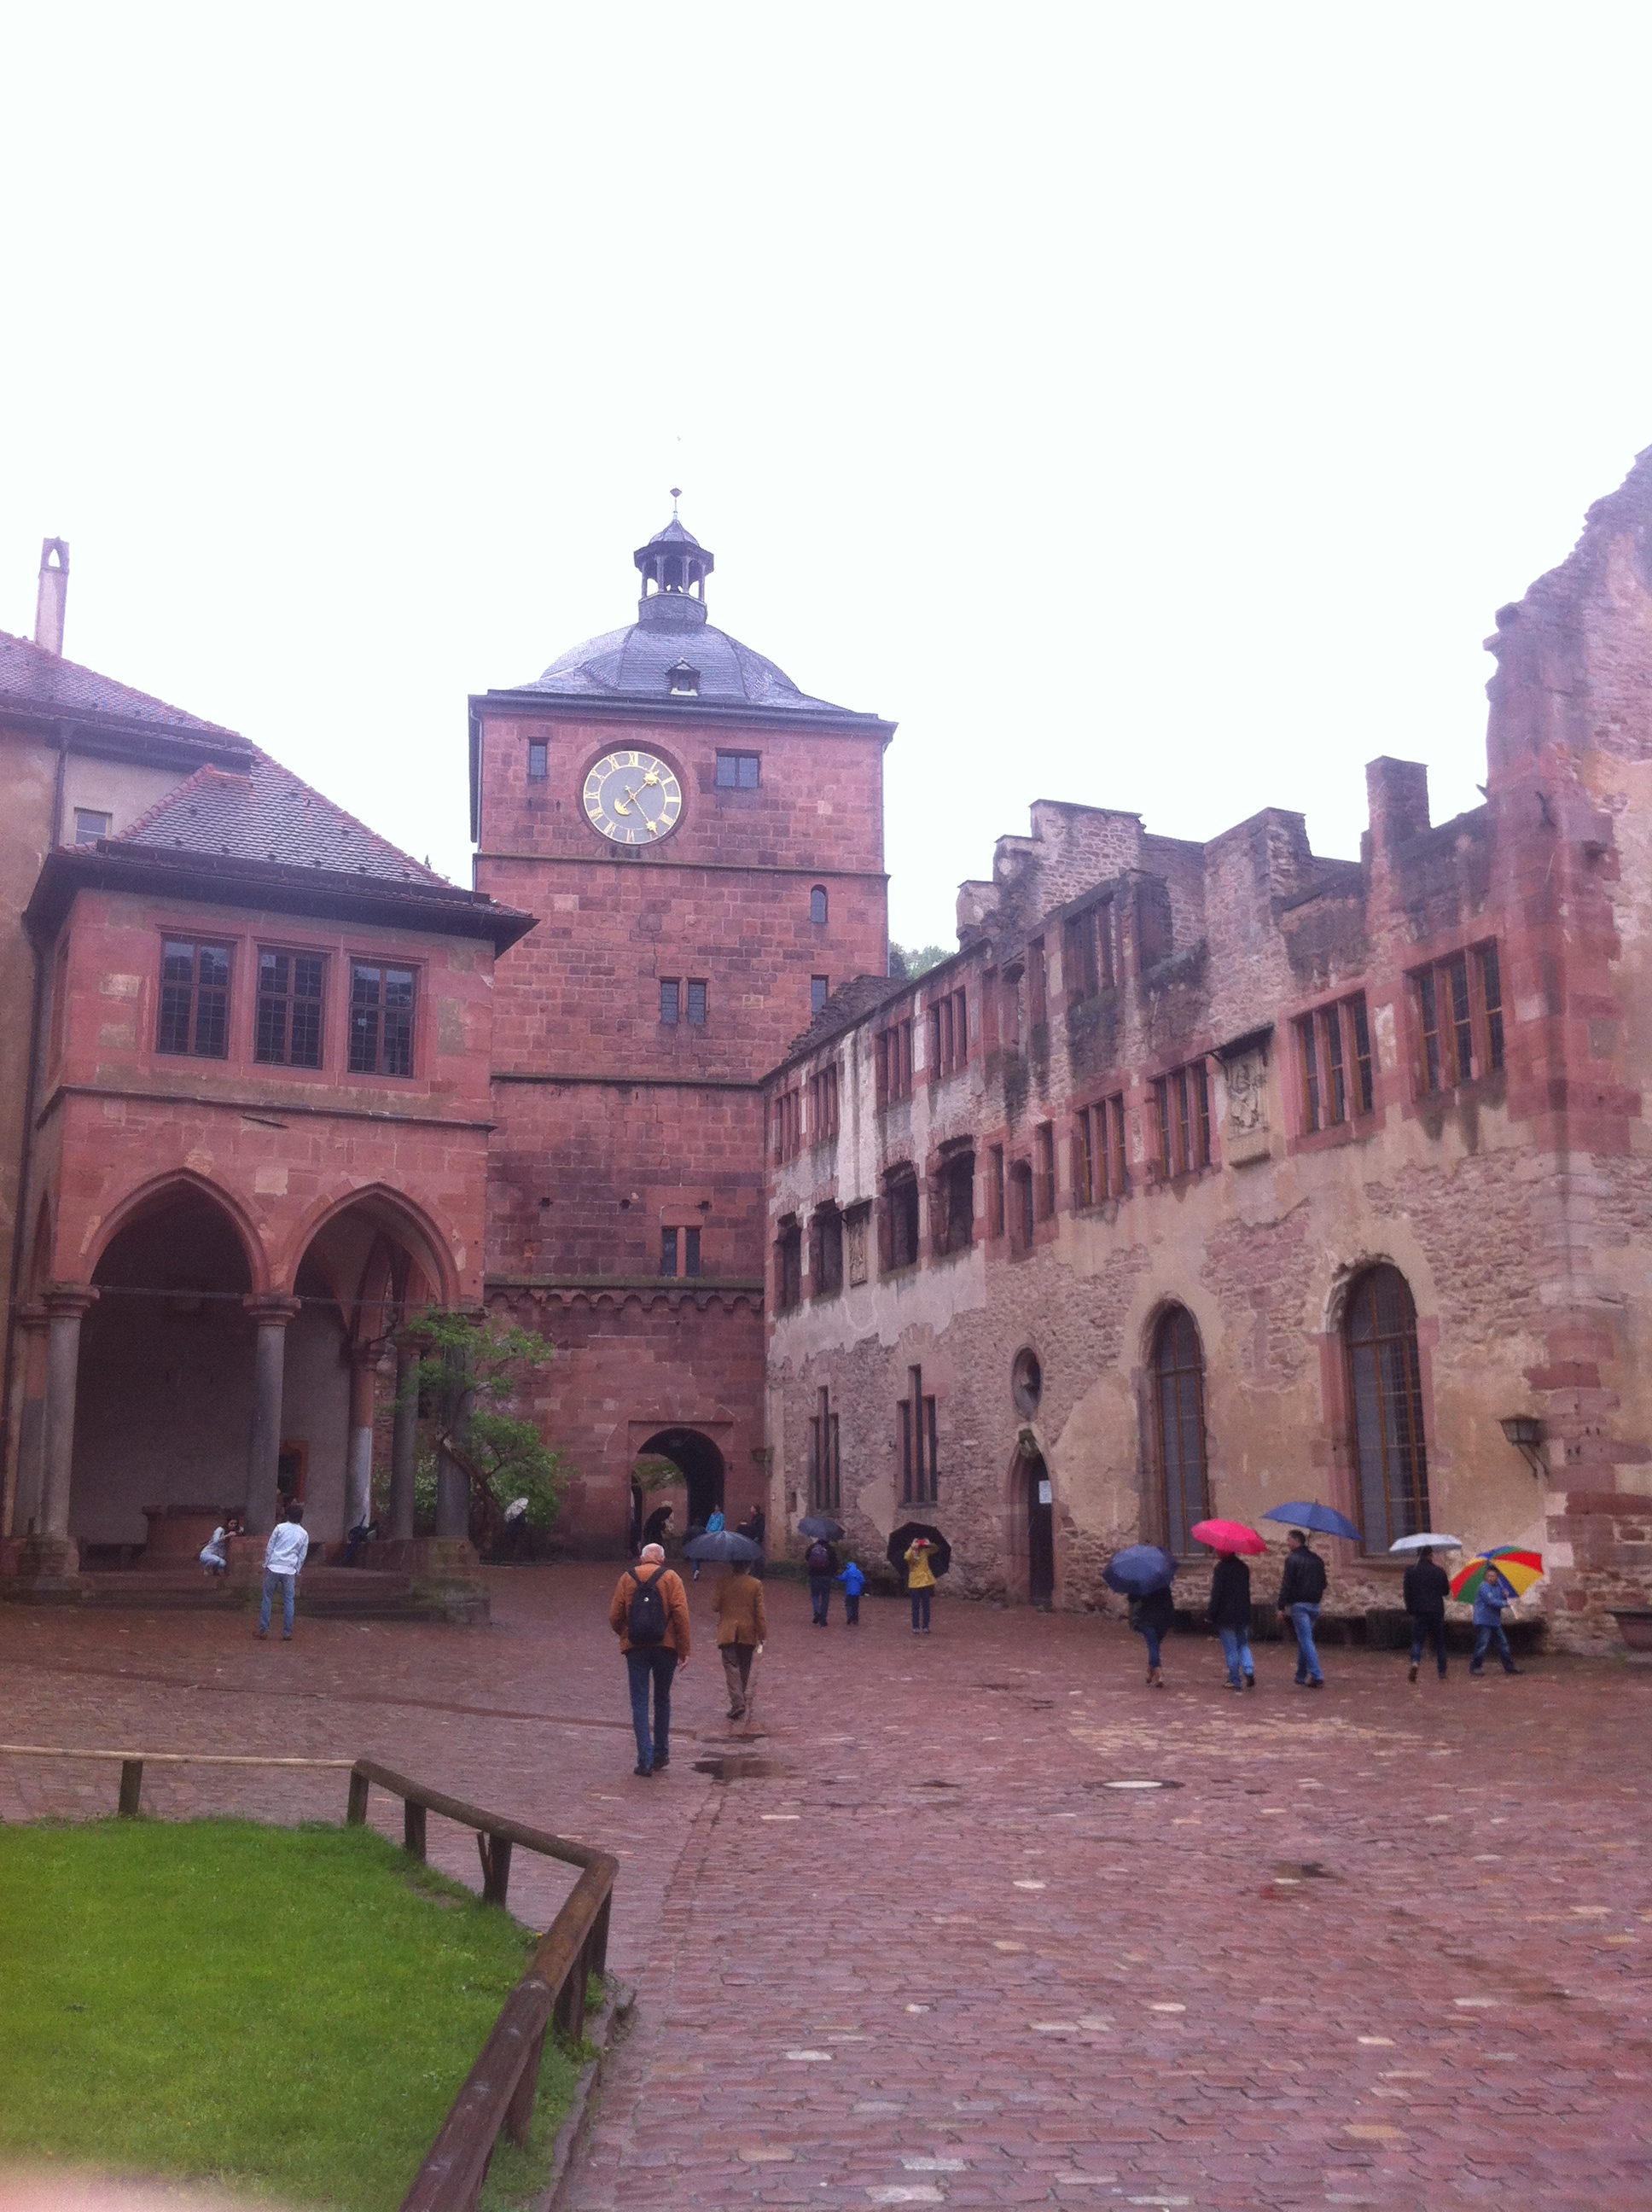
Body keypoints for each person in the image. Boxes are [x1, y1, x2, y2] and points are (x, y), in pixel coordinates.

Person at [608, 1541, 691, 1775]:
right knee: (662, 1699)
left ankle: (644, 1758)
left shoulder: (627, 1578)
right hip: (666, 1647)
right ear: (661, 1560)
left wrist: (626, 1634)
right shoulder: (671, 1578)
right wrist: (684, 1649)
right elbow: (681, 1615)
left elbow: (615, 1616)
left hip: (636, 1648)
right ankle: (661, 1753)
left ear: (642, 1558)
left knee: (639, 1701)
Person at [713, 1559, 768, 1725]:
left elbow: (715, 1606)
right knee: (744, 1666)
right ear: (747, 1566)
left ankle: (738, 1702)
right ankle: (739, 1700)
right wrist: (763, 1634)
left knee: (731, 1665)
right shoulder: (755, 1584)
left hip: (728, 1630)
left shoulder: (722, 1582)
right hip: (748, 1631)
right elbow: (760, 1612)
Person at [1277, 1529, 1327, 1688]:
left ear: (1296, 1541)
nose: (1287, 1542)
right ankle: (1300, 1675)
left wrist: (1281, 1606)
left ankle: (1316, 1674)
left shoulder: (1292, 1559)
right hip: (1314, 1603)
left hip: (1299, 1604)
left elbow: (1287, 1584)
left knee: (1305, 1640)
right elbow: (1324, 1583)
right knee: (1305, 1639)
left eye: (1289, 1539)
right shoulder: (1317, 1560)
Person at [259, 1503, 309, 1640]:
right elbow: (302, 1555)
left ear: (288, 1515)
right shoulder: (304, 1534)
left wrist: (267, 1563)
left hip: (274, 1566)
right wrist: (296, 1569)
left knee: (267, 1598)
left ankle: (263, 1630)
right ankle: (287, 1632)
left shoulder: (280, 1528)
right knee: (288, 1600)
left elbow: (270, 1547)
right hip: (290, 1569)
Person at [1403, 1545, 1451, 1681]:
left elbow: (1407, 1593)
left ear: (1417, 1555)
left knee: (1417, 1641)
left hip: (1419, 1610)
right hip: (1436, 1610)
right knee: (1440, 1642)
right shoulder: (1439, 1571)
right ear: (1431, 1555)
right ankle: (1442, 1672)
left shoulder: (1411, 1571)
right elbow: (1445, 1592)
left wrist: (1410, 1609)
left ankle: (1415, 1662)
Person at [1207, 1551, 1255, 1691]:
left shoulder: (1221, 1569)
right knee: (1243, 1644)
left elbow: (1217, 1593)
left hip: (1226, 1615)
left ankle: (1235, 1679)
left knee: (1231, 1648)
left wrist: (1212, 1612)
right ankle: (1249, 1670)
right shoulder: (1243, 1568)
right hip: (1243, 1612)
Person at [1470, 1563, 1524, 1677]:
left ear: (1497, 1577)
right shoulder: (1483, 1587)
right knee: (1482, 1644)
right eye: (1489, 1576)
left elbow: (1499, 1598)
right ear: (1485, 1577)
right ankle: (1475, 1667)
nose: (1491, 1578)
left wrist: (1505, 1595)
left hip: (1494, 1621)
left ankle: (1509, 1666)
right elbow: (1491, 1602)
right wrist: (1506, 1603)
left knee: (1503, 1644)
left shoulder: (1499, 1587)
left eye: (1493, 1576)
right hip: (1483, 1620)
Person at [1130, 1581, 1174, 1686]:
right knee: (1154, 1645)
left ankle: (1157, 1671)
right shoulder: (1163, 1583)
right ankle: (1153, 1671)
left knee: (1153, 1645)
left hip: (1148, 1619)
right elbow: (1169, 1602)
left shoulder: (1142, 1583)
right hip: (1162, 1620)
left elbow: (1132, 1599)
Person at [904, 1537, 937, 1634]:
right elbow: (906, 1557)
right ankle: (915, 1627)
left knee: (926, 1606)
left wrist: (928, 1544)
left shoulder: (925, 1552)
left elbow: (935, 1549)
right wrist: (912, 1547)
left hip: (926, 1582)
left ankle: (926, 1626)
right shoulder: (911, 1553)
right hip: (915, 1583)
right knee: (915, 1606)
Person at [691, 1505, 725, 1581]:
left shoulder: (721, 1515)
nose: (716, 1508)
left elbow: (722, 1524)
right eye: (715, 1507)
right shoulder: (712, 1515)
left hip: (717, 1532)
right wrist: (707, 1530)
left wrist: (718, 1531)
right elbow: (709, 1523)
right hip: (710, 1531)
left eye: (717, 1507)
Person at [806, 1536, 835, 1626]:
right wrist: (832, 1574)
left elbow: (807, 1558)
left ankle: (817, 1610)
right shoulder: (830, 1549)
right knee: (825, 1597)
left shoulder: (812, 1547)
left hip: (814, 1575)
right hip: (826, 1576)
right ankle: (823, 1619)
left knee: (815, 1595)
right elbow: (835, 1563)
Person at [837, 1556, 868, 1625]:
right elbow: (863, 1581)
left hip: (849, 1592)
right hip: (857, 1592)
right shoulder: (858, 1572)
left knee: (848, 1604)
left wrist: (835, 1577)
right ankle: (855, 1620)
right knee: (856, 1606)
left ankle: (849, 1615)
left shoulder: (848, 1571)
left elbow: (842, 1578)